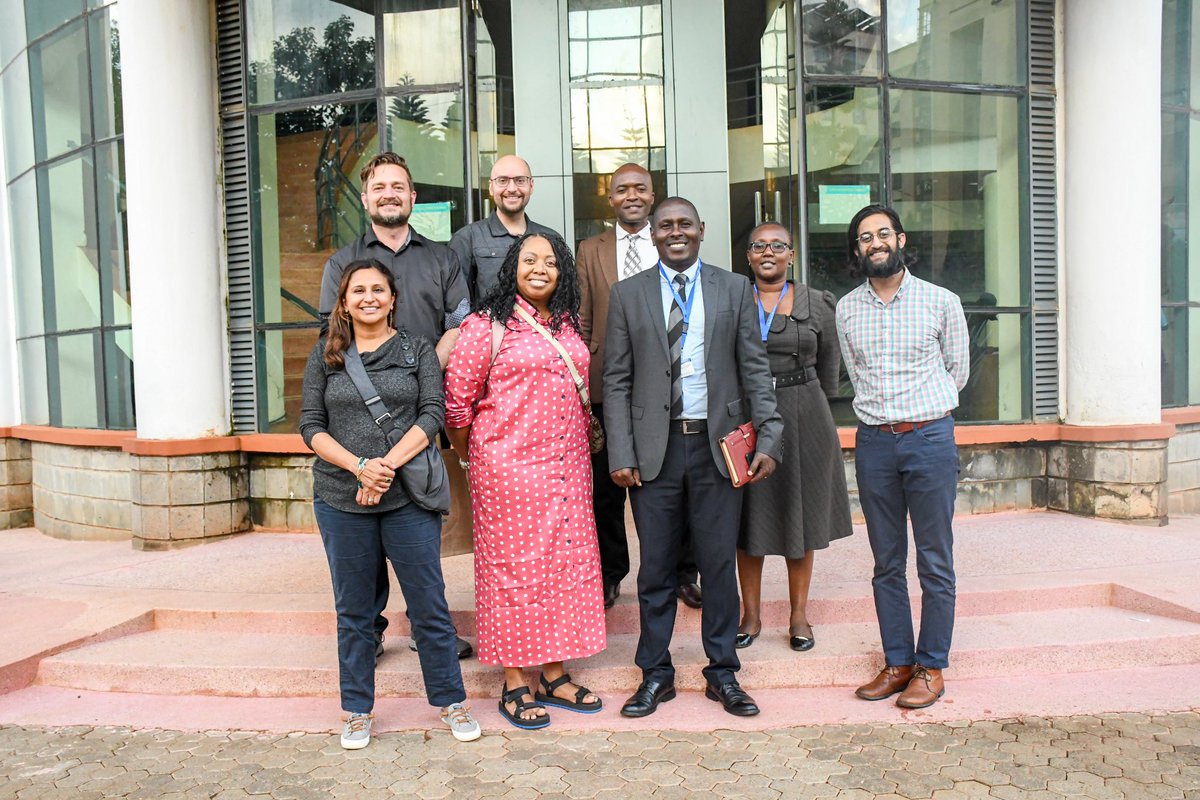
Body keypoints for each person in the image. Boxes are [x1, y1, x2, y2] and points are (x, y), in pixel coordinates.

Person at [603, 197, 783, 718]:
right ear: (652, 236)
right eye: (665, 226)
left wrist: (768, 439)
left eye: (685, 224)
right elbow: (615, 380)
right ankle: (654, 673)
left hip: (718, 448)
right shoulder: (627, 294)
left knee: (717, 565)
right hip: (654, 452)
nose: (675, 232)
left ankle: (722, 672)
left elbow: (755, 370)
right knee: (655, 567)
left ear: (702, 230)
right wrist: (622, 449)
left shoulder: (732, 289)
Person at [300, 260, 481, 749]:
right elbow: (310, 426)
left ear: (392, 298)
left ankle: (451, 701)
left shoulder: (417, 349)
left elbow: (432, 413)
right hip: (341, 499)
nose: (368, 297)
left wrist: (382, 468)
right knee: (355, 610)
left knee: (429, 606)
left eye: (378, 289)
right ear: (344, 302)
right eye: (358, 290)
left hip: (409, 501)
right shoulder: (326, 355)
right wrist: (360, 467)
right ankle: (357, 710)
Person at [444, 232, 606, 729]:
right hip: (508, 473)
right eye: (529, 259)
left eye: (551, 261)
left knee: (563, 569)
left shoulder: (567, 324)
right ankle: (515, 680)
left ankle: (555, 674)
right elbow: (457, 407)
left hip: (569, 470)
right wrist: (481, 460)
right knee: (514, 574)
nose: (541, 268)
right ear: (512, 266)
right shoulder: (485, 326)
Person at [317, 152, 473, 662]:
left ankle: (433, 628)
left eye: (399, 186)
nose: (389, 194)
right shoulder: (342, 262)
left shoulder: (442, 258)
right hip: (357, 418)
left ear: (411, 196)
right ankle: (373, 627)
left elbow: (461, 323)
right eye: (379, 187)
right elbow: (329, 335)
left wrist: (424, 366)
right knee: (363, 525)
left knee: (422, 523)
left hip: (422, 410)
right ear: (366, 199)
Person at [835, 204, 969, 710]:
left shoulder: (941, 302)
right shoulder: (847, 309)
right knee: (886, 561)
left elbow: (957, 371)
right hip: (874, 443)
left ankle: (931, 667)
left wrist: (922, 414)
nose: (876, 243)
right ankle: (898, 662)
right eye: (866, 237)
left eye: (883, 233)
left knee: (934, 559)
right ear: (857, 249)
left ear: (901, 239)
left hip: (930, 438)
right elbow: (856, 372)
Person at [576, 163, 701, 611]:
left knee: (677, 482)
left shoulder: (671, 240)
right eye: (622, 189)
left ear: (652, 196)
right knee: (606, 492)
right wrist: (583, 389)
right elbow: (584, 318)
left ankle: (685, 573)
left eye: (640, 189)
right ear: (609, 198)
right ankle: (611, 575)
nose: (632, 195)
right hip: (606, 388)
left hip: (668, 388)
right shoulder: (589, 249)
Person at [736, 223, 853, 653]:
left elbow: (830, 367)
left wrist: (814, 404)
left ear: (791, 254)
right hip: (748, 415)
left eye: (778, 246)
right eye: (759, 246)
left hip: (804, 413)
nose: (769, 252)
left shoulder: (817, 302)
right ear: (748, 256)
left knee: (799, 516)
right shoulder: (733, 298)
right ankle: (750, 615)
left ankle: (799, 615)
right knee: (749, 518)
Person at [449, 154, 560, 300]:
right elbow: (457, 304)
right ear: (491, 187)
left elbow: (563, 296)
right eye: (502, 181)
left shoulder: (551, 238)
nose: (512, 188)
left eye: (520, 181)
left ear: (531, 186)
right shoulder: (467, 238)